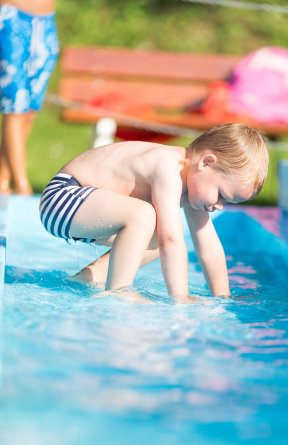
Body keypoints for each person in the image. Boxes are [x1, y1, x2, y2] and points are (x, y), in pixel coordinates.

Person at [39, 123, 270, 299]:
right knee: (146, 217)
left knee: (156, 233)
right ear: (206, 162)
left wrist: (223, 298)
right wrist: (180, 300)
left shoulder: (194, 186)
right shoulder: (168, 167)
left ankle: (89, 279)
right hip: (62, 198)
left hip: (83, 209)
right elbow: (172, 241)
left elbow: (209, 248)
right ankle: (118, 293)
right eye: (221, 195)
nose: (219, 206)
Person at [0, 0, 59, 194]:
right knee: (16, 106)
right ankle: (21, 186)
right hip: (12, 18)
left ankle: (3, 178)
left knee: (30, 110)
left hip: (46, 23)